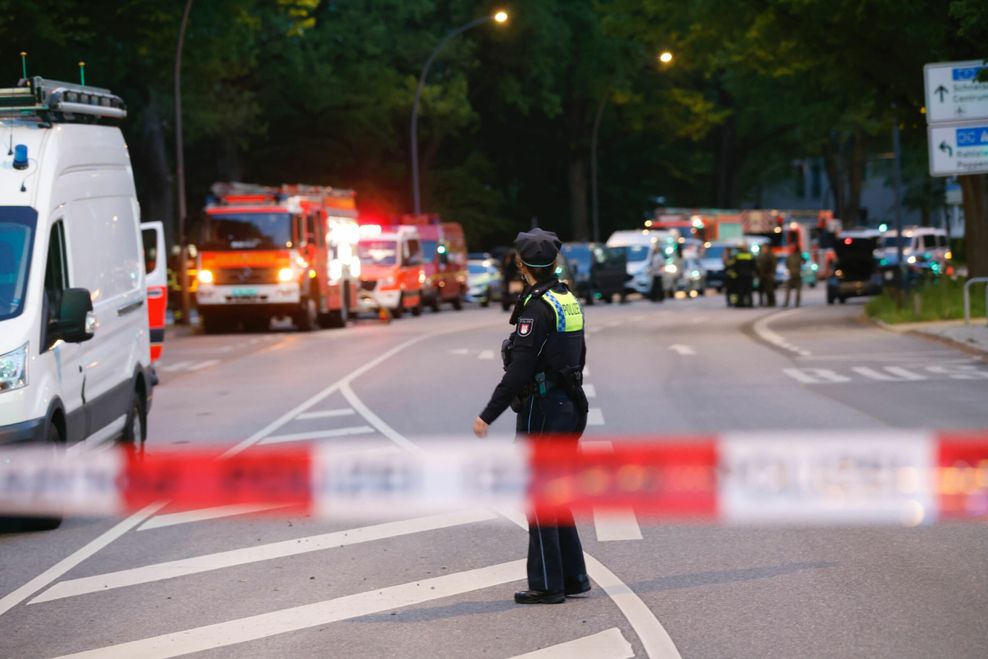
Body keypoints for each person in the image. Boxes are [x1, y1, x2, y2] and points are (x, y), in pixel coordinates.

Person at [473, 228, 590, 605]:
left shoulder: (536, 308)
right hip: (568, 405)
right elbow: (581, 354)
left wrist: (488, 414)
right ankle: (573, 576)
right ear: (554, 263)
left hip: (543, 410)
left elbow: (519, 370)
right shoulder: (566, 298)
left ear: (521, 264)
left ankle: (547, 584)